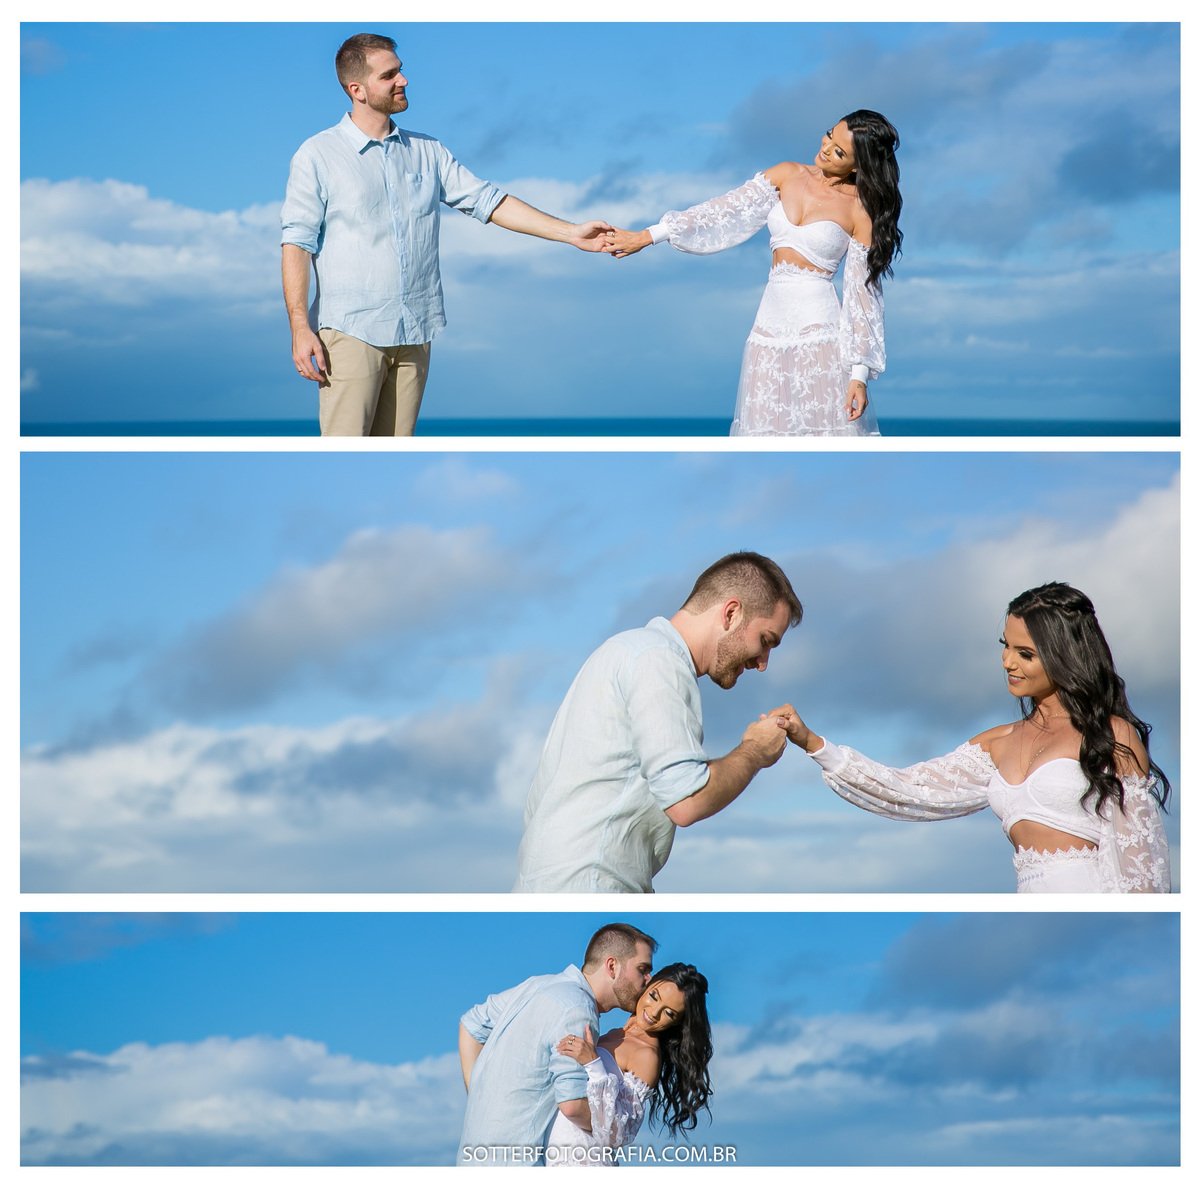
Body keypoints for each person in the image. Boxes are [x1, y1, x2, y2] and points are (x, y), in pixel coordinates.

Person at [281, 33, 612, 436]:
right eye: (390, 75)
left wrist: (571, 233)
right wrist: (300, 328)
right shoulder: (317, 155)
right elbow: (297, 243)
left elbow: (489, 201)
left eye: (400, 70)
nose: (403, 80)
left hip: (416, 331)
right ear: (358, 90)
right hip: (351, 332)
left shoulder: (429, 151)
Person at [776, 583, 1171, 892]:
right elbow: (909, 790)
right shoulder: (997, 742)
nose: (1007, 662)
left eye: (1025, 653)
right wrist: (813, 743)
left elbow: (1142, 872)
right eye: (1005, 646)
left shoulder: (1111, 736)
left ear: (1064, 655)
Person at [512, 552, 803, 893]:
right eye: (765, 641)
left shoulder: (626, 651)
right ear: (731, 613)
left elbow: (538, 803)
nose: (763, 662)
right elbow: (687, 800)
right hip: (590, 885)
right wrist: (755, 752)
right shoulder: (658, 659)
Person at [604, 112, 902, 437]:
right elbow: (723, 211)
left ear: (859, 166)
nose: (827, 148)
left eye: (840, 152)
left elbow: (864, 295)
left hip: (821, 336)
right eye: (830, 135)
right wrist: (647, 236)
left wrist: (859, 374)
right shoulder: (788, 174)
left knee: (823, 435)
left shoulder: (859, 208)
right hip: (767, 332)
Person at [457, 923, 657, 1167]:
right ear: (612, 966)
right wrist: (613, 1132)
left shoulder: (537, 985)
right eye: (642, 969)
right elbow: (572, 1105)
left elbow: (470, 1025)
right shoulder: (578, 1010)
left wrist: (478, 1093)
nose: (648, 980)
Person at [546, 962, 713, 1166]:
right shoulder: (616, 1032)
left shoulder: (647, 1055)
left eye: (669, 1013)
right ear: (648, 985)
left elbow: (618, 1134)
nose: (654, 1013)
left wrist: (593, 1064)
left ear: (677, 1022)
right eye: (654, 997)